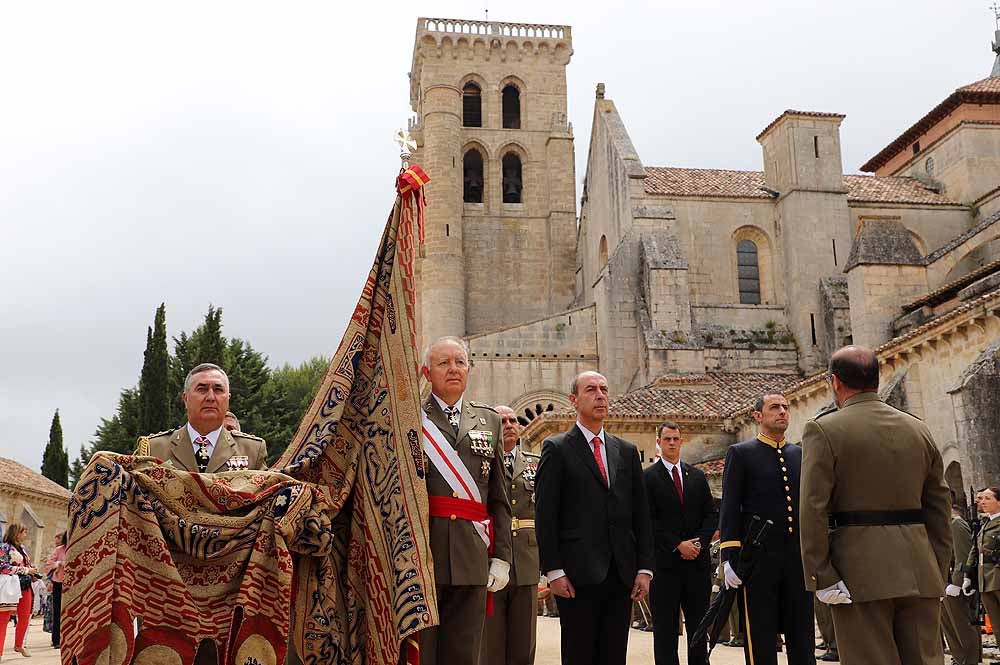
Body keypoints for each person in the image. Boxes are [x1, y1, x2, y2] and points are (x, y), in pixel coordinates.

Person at [800, 345, 951, 665]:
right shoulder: (918, 428)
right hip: (919, 568)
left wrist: (821, 575)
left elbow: (813, 508)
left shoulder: (824, 429)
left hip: (858, 573)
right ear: (877, 381)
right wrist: (936, 565)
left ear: (835, 382)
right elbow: (939, 505)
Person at [534, 370, 654, 665]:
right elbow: (546, 514)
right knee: (579, 653)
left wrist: (645, 568)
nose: (600, 395)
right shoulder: (557, 448)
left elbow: (641, 514)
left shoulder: (625, 452)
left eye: (604, 389)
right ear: (574, 400)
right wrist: (554, 571)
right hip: (576, 575)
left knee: (614, 655)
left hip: (620, 571)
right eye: (591, 390)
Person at [418, 336, 513, 665]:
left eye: (459, 362)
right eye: (443, 363)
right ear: (426, 372)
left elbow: (499, 498)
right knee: (424, 654)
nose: (453, 369)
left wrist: (502, 556)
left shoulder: (489, 420)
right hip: (425, 554)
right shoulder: (411, 419)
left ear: (469, 369)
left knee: (465, 653)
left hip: (473, 554)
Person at [718, 392, 814, 665]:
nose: (782, 411)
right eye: (774, 407)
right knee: (760, 636)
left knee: (802, 633)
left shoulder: (799, 455)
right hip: (758, 562)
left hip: (796, 560)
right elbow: (731, 506)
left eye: (785, 407)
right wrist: (728, 557)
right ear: (758, 416)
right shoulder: (741, 453)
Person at [643, 421, 717, 665]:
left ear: (681, 441)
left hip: (697, 565)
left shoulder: (696, 476)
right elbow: (648, 520)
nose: (672, 443)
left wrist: (699, 543)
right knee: (665, 630)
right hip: (665, 567)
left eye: (676, 439)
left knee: (698, 627)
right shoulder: (648, 478)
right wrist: (678, 544)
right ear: (659, 442)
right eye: (667, 439)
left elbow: (710, 514)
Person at [482, 405, 540, 665]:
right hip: (492, 558)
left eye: (513, 420)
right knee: (491, 642)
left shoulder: (535, 464)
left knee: (524, 641)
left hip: (527, 559)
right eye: (502, 420)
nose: (508, 425)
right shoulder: (481, 463)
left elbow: (546, 516)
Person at [137, 363, 267, 472]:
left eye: (218, 390)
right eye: (202, 389)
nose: (210, 397)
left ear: (227, 399)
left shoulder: (252, 451)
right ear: (186, 399)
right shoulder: (153, 449)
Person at [942, 501, 981, 665]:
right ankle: (959, 659)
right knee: (949, 627)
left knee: (962, 626)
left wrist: (957, 582)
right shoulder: (942, 525)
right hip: (942, 583)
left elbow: (963, 554)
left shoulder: (956, 524)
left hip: (954, 584)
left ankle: (969, 661)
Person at [0, 523, 40, 659]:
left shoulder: (22, 548)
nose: (25, 534)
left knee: (25, 615)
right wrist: (26, 570)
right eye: (24, 532)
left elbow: (25, 565)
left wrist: (32, 571)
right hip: (10, 585)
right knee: (3, 619)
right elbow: (3, 567)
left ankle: (19, 644)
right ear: (17, 533)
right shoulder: (4, 547)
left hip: (25, 585)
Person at [964, 486, 1000, 634]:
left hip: (997, 576)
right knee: (997, 626)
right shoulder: (985, 523)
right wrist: (968, 575)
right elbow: (975, 550)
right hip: (984, 580)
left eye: (988, 498)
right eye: (982, 498)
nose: (982, 502)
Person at [44, 532, 67, 649]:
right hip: (59, 584)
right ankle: (56, 640)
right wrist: (58, 563)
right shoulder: (59, 550)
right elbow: (48, 565)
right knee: (57, 613)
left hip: (72, 584)